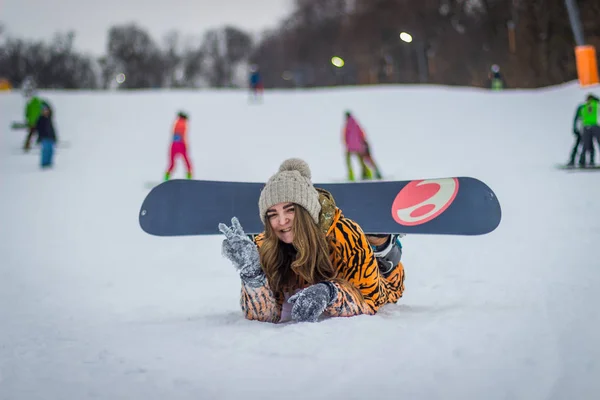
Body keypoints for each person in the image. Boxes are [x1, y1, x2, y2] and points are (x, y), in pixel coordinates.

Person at [218, 158, 405, 323]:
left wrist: (330, 293)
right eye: (273, 214)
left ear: (306, 212)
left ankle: (384, 247)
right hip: (306, 280)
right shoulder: (265, 245)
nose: (282, 221)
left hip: (377, 281)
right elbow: (265, 316)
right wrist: (253, 276)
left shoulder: (345, 235)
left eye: (290, 210)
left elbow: (370, 300)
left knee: (382, 266)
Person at [342, 111, 383, 181]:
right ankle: (367, 174)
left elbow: (345, 136)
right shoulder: (356, 124)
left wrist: (346, 144)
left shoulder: (347, 125)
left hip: (350, 147)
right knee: (362, 161)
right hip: (359, 146)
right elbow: (362, 134)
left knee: (349, 161)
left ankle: (351, 175)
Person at [164, 111, 193, 180]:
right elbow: (182, 135)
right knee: (187, 162)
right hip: (180, 144)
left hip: (174, 144)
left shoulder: (176, 123)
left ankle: (166, 178)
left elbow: (175, 134)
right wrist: (185, 145)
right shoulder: (183, 123)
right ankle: (189, 179)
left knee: (172, 164)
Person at [578, 93, 600, 167]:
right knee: (598, 143)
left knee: (586, 145)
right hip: (595, 126)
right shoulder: (596, 104)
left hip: (586, 127)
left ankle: (582, 161)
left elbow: (581, 116)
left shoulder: (584, 106)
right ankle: (590, 161)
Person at [35, 103, 57, 168]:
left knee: (51, 150)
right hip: (44, 137)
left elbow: (52, 129)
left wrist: (54, 137)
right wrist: (40, 137)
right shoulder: (40, 119)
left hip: (50, 137)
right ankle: (44, 163)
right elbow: (38, 129)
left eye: (46, 110)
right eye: (44, 110)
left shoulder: (49, 119)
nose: (45, 111)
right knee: (45, 150)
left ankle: (49, 163)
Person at [567, 101, 586, 166]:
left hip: (586, 131)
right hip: (581, 131)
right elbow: (576, 120)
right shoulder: (582, 108)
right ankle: (572, 160)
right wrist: (575, 129)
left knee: (586, 146)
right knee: (578, 146)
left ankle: (582, 161)